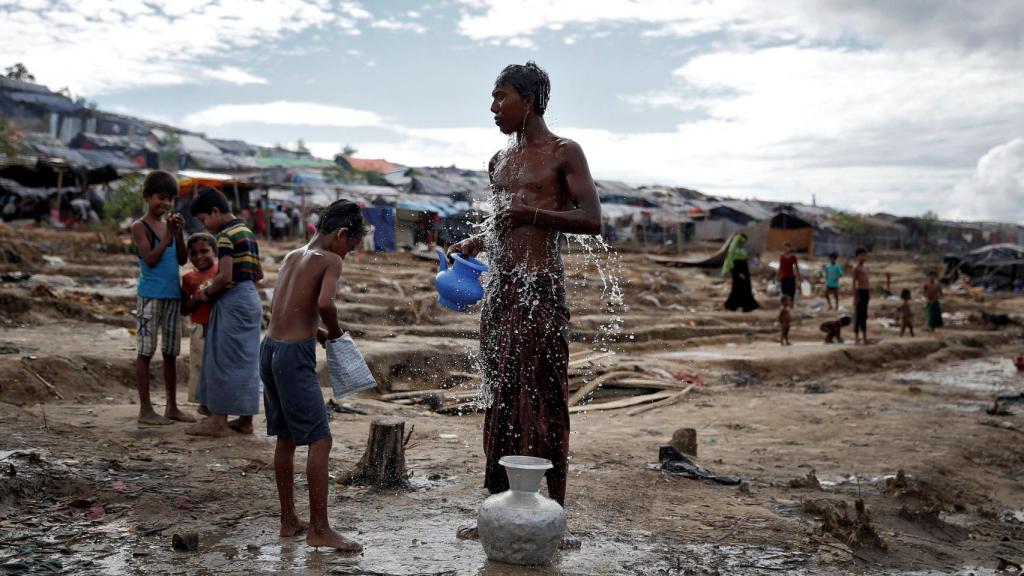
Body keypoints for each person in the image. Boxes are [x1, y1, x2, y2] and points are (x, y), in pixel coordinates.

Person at [447, 61, 600, 548]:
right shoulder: (499, 162)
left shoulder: (563, 152)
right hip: (503, 291)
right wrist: (477, 241)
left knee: (544, 399)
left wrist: (531, 211)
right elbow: (505, 224)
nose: (493, 108)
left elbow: (592, 219)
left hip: (540, 291)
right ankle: (495, 507)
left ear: (528, 100)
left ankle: (554, 514)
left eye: (500, 97)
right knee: (502, 397)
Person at [262, 199, 365, 552]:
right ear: (340, 234)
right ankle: (319, 528)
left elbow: (283, 307)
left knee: (286, 438)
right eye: (350, 247)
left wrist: (315, 333)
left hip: (271, 348)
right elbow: (323, 304)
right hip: (292, 357)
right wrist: (334, 332)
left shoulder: (293, 255)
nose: (347, 256)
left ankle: (288, 519)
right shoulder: (330, 259)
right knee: (320, 440)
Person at [187, 189, 264, 437]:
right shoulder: (247, 232)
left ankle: (218, 420)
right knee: (246, 361)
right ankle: (245, 420)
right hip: (250, 299)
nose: (204, 225)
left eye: (203, 219)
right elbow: (259, 274)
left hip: (233, 302)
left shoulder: (224, 236)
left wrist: (205, 293)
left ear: (215, 212)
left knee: (223, 360)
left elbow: (225, 277)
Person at [130, 171, 193, 426]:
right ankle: (145, 409)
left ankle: (172, 407)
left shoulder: (169, 225)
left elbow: (181, 259)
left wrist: (178, 234)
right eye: (160, 198)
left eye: (169, 200)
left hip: (172, 296)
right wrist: (168, 234)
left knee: (170, 353)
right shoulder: (139, 226)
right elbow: (151, 259)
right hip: (150, 296)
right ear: (147, 197)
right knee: (145, 352)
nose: (165, 204)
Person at [180, 232, 219, 414]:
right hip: (199, 330)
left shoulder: (221, 272)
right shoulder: (189, 279)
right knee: (199, 368)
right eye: (193, 254)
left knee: (217, 369)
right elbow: (184, 308)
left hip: (220, 329)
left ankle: (217, 405)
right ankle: (204, 405)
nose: (199, 257)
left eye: (204, 251)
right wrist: (197, 298)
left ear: (215, 251)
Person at [723, 233, 759, 312]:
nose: (744, 243)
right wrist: (738, 273)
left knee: (746, 288)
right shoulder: (734, 250)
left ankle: (747, 306)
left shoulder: (741, 249)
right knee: (737, 288)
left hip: (744, 270)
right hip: (739, 271)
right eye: (743, 241)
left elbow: (744, 259)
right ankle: (732, 305)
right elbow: (732, 262)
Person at [852, 247, 871, 345]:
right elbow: (854, 283)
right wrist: (855, 297)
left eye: (864, 255)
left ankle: (864, 337)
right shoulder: (857, 268)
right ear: (857, 256)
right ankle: (856, 338)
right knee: (859, 315)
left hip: (866, 293)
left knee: (864, 315)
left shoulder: (865, 268)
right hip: (860, 292)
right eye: (861, 255)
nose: (863, 257)